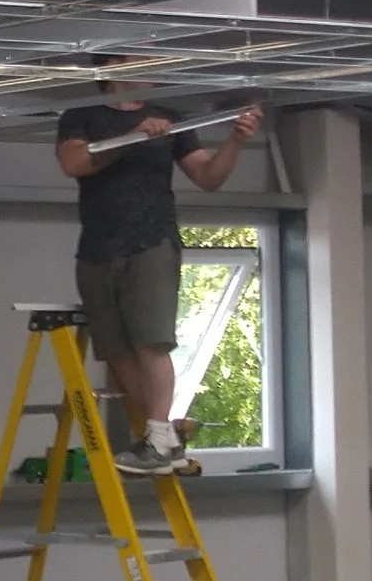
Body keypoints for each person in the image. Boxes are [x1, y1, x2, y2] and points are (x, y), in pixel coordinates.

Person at [52, 90, 264, 474]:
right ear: (114, 61)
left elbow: (208, 177)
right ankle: (164, 435)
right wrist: (132, 137)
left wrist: (235, 140)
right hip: (98, 246)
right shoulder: (82, 114)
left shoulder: (169, 116)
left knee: (151, 340)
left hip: (152, 241)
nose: (151, 62)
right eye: (141, 54)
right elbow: (74, 162)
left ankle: (157, 437)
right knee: (114, 349)